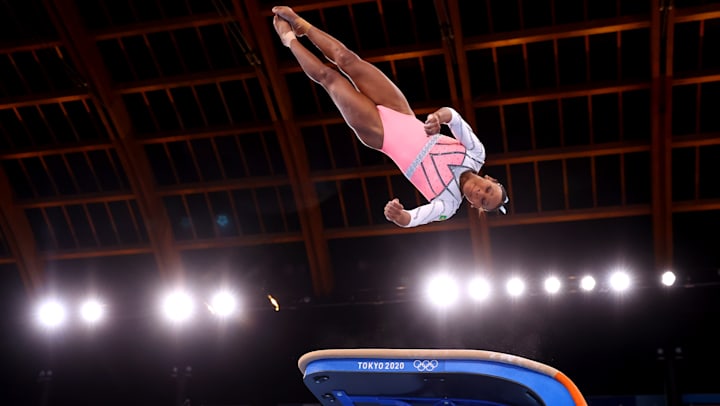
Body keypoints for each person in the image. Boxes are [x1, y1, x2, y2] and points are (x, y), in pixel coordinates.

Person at [272, 6, 509, 228]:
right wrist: (438, 117)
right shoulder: (476, 154)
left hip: (380, 134)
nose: (481, 193)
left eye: (484, 201)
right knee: (347, 59)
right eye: (488, 189)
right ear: (489, 179)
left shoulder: (448, 205)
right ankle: (302, 24)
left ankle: (289, 40)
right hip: (401, 111)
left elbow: (412, 218)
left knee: (330, 78)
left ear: (476, 207)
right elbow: (454, 117)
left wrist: (399, 216)